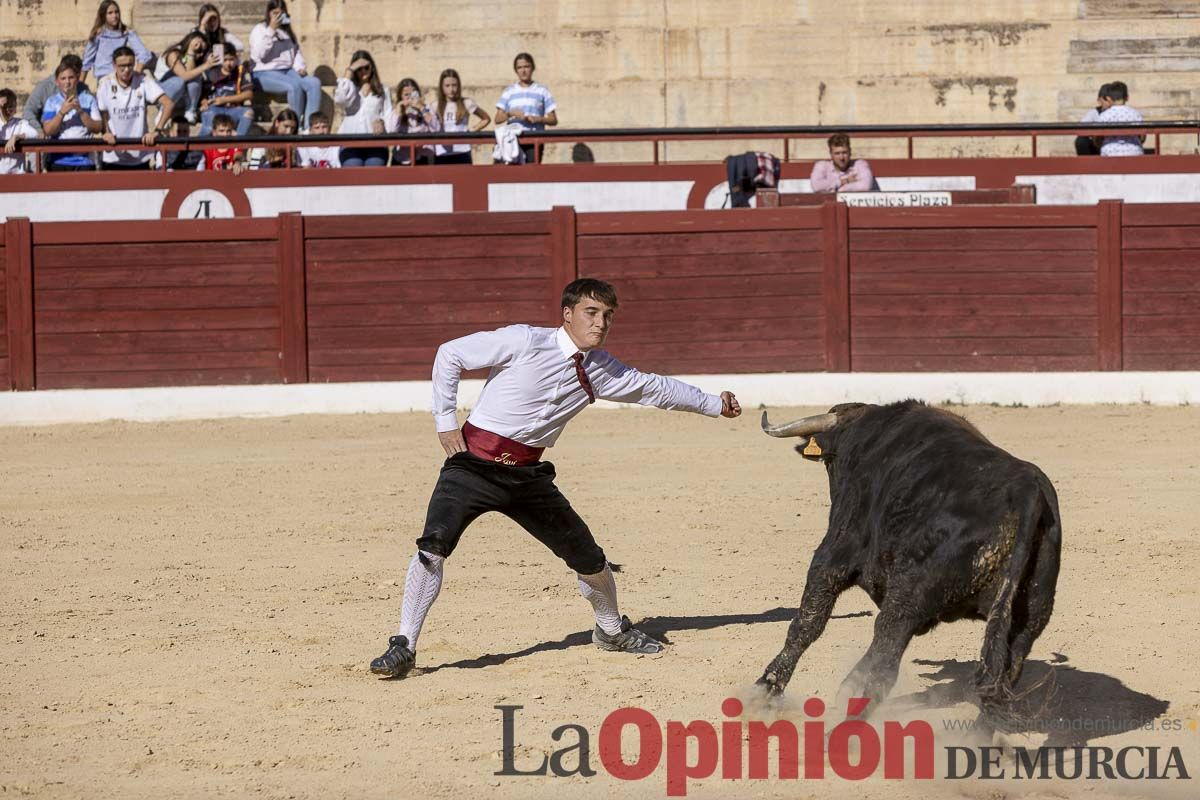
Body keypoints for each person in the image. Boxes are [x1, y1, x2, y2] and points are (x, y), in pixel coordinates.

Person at [368, 278, 743, 679]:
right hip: (472, 464)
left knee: (590, 559)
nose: (600, 323)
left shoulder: (602, 370)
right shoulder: (524, 341)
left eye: (608, 316)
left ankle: (611, 630)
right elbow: (450, 354)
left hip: (529, 478)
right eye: (591, 313)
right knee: (433, 546)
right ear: (567, 314)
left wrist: (713, 405)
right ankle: (404, 645)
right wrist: (445, 422)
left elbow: (656, 389)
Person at [96, 46, 174, 171]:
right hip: (113, 156)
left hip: (140, 155)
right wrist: (106, 132)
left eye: (130, 65)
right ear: (114, 65)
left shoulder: (143, 80)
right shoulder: (105, 84)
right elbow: (102, 112)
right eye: (122, 66)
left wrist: (157, 131)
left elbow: (168, 104)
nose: (126, 70)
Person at [250, 0, 323, 127]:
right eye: (275, 13)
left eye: (281, 13)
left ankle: (309, 127)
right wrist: (271, 30)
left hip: (287, 71)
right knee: (293, 86)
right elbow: (258, 55)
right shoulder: (260, 29)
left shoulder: (287, 31)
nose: (278, 16)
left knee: (314, 83)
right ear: (268, 13)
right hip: (263, 72)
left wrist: (300, 67)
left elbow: (295, 52)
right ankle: (295, 126)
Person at [41, 60, 104, 172]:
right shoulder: (52, 101)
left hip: (85, 161)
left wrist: (80, 112)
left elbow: (98, 128)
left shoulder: (89, 99)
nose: (67, 82)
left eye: (71, 77)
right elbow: (48, 130)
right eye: (63, 78)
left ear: (77, 79)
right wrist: (61, 113)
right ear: (57, 82)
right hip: (58, 160)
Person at [494, 52, 556, 164]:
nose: (523, 70)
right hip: (512, 140)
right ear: (516, 70)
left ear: (532, 68)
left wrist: (538, 119)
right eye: (520, 67)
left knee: (531, 176)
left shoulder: (542, 90)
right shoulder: (509, 91)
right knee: (512, 176)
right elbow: (497, 119)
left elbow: (553, 120)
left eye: (526, 66)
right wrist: (510, 113)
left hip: (534, 141)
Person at [334, 50, 390, 167]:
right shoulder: (349, 88)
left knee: (374, 172)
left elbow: (388, 114)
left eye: (366, 67)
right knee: (352, 171)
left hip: (375, 142)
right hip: (350, 141)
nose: (363, 71)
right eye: (358, 69)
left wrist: (382, 123)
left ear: (372, 68)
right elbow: (340, 100)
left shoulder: (382, 90)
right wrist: (349, 71)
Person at [81, 1, 152, 85]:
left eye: (116, 12)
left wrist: (136, 74)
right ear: (103, 15)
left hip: (123, 76)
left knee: (148, 78)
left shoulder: (126, 32)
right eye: (110, 13)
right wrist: (80, 85)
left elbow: (144, 54)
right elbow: (87, 61)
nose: (114, 16)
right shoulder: (99, 34)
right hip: (105, 78)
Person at [157, 31, 219, 125]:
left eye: (203, 51)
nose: (201, 53)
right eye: (199, 50)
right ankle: (164, 111)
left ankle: (190, 111)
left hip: (182, 98)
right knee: (178, 81)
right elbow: (183, 76)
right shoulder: (173, 53)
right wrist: (192, 52)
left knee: (196, 75)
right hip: (164, 94)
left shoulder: (194, 59)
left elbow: (191, 75)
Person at [432, 68, 490, 165]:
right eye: (447, 86)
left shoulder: (466, 103)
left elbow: (486, 118)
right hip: (442, 153)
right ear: (441, 87)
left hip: (462, 151)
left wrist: (472, 130)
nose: (451, 89)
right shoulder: (435, 105)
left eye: (454, 85)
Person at [23, 54, 85, 134]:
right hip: (49, 136)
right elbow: (28, 111)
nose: (68, 81)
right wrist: (39, 130)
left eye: (73, 76)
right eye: (64, 77)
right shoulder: (45, 87)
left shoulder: (83, 89)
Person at [199, 48, 254, 136]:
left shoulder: (241, 71)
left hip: (234, 109)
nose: (229, 63)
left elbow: (249, 94)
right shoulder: (212, 72)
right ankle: (199, 147)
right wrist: (204, 102)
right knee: (208, 125)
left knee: (248, 112)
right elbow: (203, 94)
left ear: (236, 59)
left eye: (231, 59)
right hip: (214, 109)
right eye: (225, 60)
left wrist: (224, 100)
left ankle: (238, 144)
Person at [385, 78, 437, 165]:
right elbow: (391, 131)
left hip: (423, 157)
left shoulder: (426, 108)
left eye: (413, 94)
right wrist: (399, 111)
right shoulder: (396, 112)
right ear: (400, 96)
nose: (410, 98)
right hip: (402, 158)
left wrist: (421, 108)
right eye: (406, 95)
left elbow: (435, 128)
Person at [810, 133, 877, 193]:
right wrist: (843, 181)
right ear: (831, 154)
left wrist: (840, 190)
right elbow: (816, 186)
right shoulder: (822, 166)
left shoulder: (860, 164)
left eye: (844, 153)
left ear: (850, 152)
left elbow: (866, 185)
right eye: (837, 153)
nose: (841, 158)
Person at [1096, 81, 1144, 157]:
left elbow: (1097, 138)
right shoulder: (1135, 113)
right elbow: (1142, 136)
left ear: (1109, 98)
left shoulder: (1104, 115)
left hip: (1109, 153)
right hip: (1134, 153)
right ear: (1127, 97)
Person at [1, 89, 41, 175]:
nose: (7, 110)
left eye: (11, 106)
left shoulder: (21, 123)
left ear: (15, 108)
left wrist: (16, 137)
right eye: (4, 107)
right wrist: (3, 121)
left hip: (17, 175)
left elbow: (35, 134)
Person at [1075, 82, 1111, 156]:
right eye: (1105, 99)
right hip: (1098, 145)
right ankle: (1085, 165)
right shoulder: (1094, 113)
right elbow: (1081, 128)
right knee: (1081, 140)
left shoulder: (1119, 112)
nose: (1108, 103)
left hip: (1115, 144)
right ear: (1099, 100)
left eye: (1110, 99)